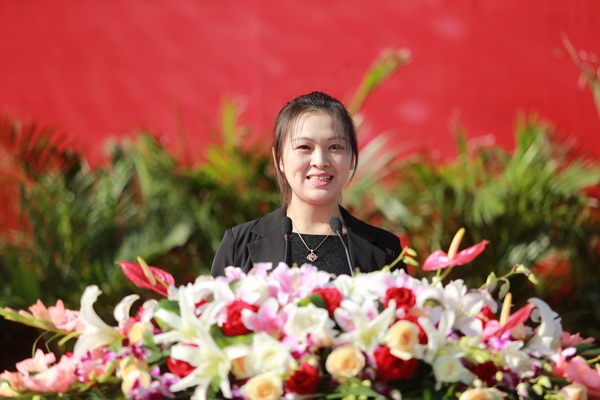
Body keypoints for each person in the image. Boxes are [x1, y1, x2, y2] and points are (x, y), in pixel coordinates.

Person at [211, 91, 402, 277]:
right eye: (304, 147)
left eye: (335, 147)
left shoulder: (384, 249)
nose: (320, 161)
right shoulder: (239, 245)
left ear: (352, 158)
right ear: (279, 159)